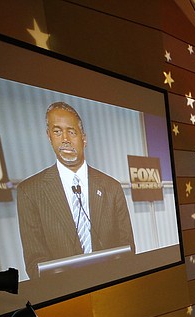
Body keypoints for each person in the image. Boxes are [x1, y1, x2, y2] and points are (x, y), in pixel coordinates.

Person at [17, 101, 134, 278]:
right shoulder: (29, 192)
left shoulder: (112, 188)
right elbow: (35, 263)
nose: (65, 139)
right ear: (49, 136)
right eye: (57, 132)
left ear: (84, 139)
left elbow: (127, 248)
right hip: (65, 296)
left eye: (71, 132)